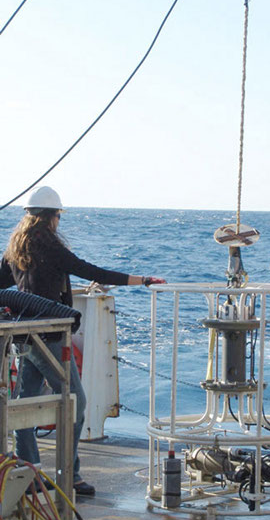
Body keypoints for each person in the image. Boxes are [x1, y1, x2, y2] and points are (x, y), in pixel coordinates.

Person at [0, 186, 166, 496]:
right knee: (76, 403)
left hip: (23, 337)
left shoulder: (16, 247)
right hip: (49, 336)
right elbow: (88, 270)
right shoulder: (47, 245)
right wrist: (141, 280)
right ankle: (69, 474)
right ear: (52, 218)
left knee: (24, 405)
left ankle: (29, 472)